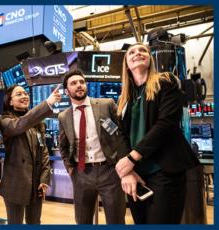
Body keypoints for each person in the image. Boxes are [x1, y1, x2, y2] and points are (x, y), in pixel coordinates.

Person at [115, 42, 199, 224]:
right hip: (136, 175)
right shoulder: (124, 99)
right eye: (132, 52)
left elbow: (166, 123)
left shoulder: (165, 82)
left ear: (150, 59)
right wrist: (127, 172)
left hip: (164, 172)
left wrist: (131, 158)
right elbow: (121, 136)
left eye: (142, 50)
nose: (137, 53)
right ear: (126, 65)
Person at [58, 69, 126, 224]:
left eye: (81, 82)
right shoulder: (64, 116)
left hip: (110, 171)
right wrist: (69, 167)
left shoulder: (106, 104)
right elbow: (63, 145)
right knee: (82, 220)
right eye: (73, 83)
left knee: (116, 220)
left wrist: (122, 161)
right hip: (81, 173)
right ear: (67, 90)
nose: (79, 85)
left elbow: (122, 133)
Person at [0, 84, 61, 224]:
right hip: (15, 184)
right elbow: (21, 124)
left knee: (35, 222)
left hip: (36, 184)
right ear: (10, 101)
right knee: (15, 223)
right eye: (19, 94)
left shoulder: (38, 123)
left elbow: (44, 151)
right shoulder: (5, 121)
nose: (25, 96)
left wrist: (44, 179)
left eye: (26, 93)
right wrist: (47, 103)